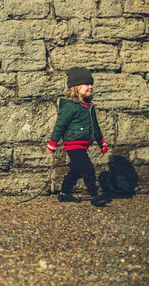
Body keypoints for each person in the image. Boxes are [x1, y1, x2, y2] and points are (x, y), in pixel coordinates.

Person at [46, 67, 110, 207]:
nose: (90, 87)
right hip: (73, 144)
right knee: (88, 169)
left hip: (83, 144)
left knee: (76, 170)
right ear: (76, 87)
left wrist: (102, 142)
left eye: (91, 84)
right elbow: (60, 125)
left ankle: (64, 193)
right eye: (87, 84)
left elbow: (96, 127)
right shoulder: (70, 107)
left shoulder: (89, 106)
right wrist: (53, 142)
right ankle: (94, 196)